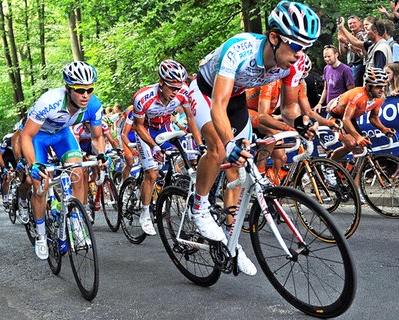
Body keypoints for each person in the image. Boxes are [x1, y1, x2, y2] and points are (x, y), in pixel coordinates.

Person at [188, 1, 321, 276]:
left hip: (236, 100)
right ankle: (199, 208)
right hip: (206, 92)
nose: (300, 55)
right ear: (274, 38)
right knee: (219, 149)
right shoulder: (240, 49)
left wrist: (298, 123)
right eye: (296, 46)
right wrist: (229, 143)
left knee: (239, 168)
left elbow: (286, 109)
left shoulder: (293, 66)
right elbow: (217, 104)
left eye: (305, 48)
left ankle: (230, 242)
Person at [20, 61, 108, 260]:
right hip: (38, 138)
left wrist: (100, 154)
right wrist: (34, 164)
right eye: (80, 90)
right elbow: (26, 136)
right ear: (68, 88)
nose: (86, 95)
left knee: (78, 170)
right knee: (40, 185)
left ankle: (76, 223)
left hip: (62, 135)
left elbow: (97, 137)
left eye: (90, 89)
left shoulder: (93, 105)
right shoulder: (48, 102)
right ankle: (41, 234)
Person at [133, 59, 203, 236]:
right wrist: (154, 147)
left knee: (187, 163)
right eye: (172, 87)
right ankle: (145, 213)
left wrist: (201, 144)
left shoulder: (183, 93)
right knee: (152, 172)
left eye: (178, 88)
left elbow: (191, 119)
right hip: (147, 132)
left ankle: (169, 193)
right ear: (161, 82)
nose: (176, 92)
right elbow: (138, 126)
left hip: (165, 128)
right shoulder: (143, 98)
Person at [327, 67, 396, 161]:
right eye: (378, 86)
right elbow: (345, 119)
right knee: (351, 143)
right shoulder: (357, 96)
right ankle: (329, 165)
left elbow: (373, 117)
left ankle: (356, 175)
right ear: (368, 86)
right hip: (335, 117)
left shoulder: (380, 98)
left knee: (362, 148)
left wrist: (383, 129)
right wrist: (358, 137)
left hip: (349, 118)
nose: (382, 90)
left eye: (384, 86)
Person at [314, 44, 355, 112]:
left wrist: (337, 101)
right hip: (329, 107)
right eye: (325, 57)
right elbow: (326, 88)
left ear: (336, 54)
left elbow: (351, 92)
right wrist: (320, 103)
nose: (326, 59)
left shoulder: (345, 70)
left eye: (329, 56)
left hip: (341, 107)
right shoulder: (326, 68)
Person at [338, 15, 367, 87]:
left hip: (360, 65)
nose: (352, 25)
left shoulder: (363, 34)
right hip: (350, 66)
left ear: (360, 23)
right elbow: (342, 52)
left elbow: (361, 49)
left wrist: (347, 42)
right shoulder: (349, 35)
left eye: (354, 23)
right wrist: (341, 41)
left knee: (355, 87)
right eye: (350, 24)